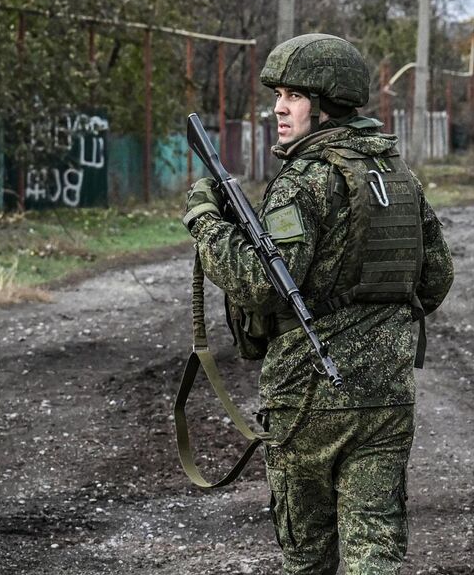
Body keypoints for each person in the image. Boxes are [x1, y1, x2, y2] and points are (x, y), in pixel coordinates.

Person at [184, 33, 454, 575]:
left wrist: (205, 222)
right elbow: (436, 278)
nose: (278, 108)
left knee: (308, 556)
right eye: (278, 95)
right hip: (385, 396)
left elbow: (260, 283)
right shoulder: (398, 175)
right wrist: (375, 316)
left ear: (326, 103)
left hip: (308, 396)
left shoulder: (303, 181)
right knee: (374, 547)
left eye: (293, 96)